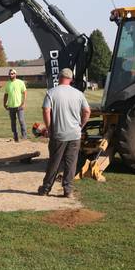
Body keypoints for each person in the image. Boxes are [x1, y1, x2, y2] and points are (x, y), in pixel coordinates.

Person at [37, 68, 91, 199]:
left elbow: (46, 110)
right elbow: (87, 112)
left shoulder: (51, 92)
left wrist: (49, 128)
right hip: (74, 135)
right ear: (71, 79)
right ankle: (68, 190)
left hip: (58, 134)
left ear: (59, 78)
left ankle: (45, 189)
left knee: (54, 162)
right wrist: (80, 126)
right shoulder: (79, 94)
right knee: (70, 163)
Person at [3, 68, 27, 142]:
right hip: (11, 106)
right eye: (10, 74)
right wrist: (4, 104)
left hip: (19, 106)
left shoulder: (20, 82)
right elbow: (6, 94)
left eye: (12, 73)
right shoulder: (7, 84)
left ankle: (24, 136)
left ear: (15, 74)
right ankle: (15, 136)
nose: (11, 75)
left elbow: (25, 92)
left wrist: (23, 103)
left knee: (21, 120)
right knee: (13, 122)